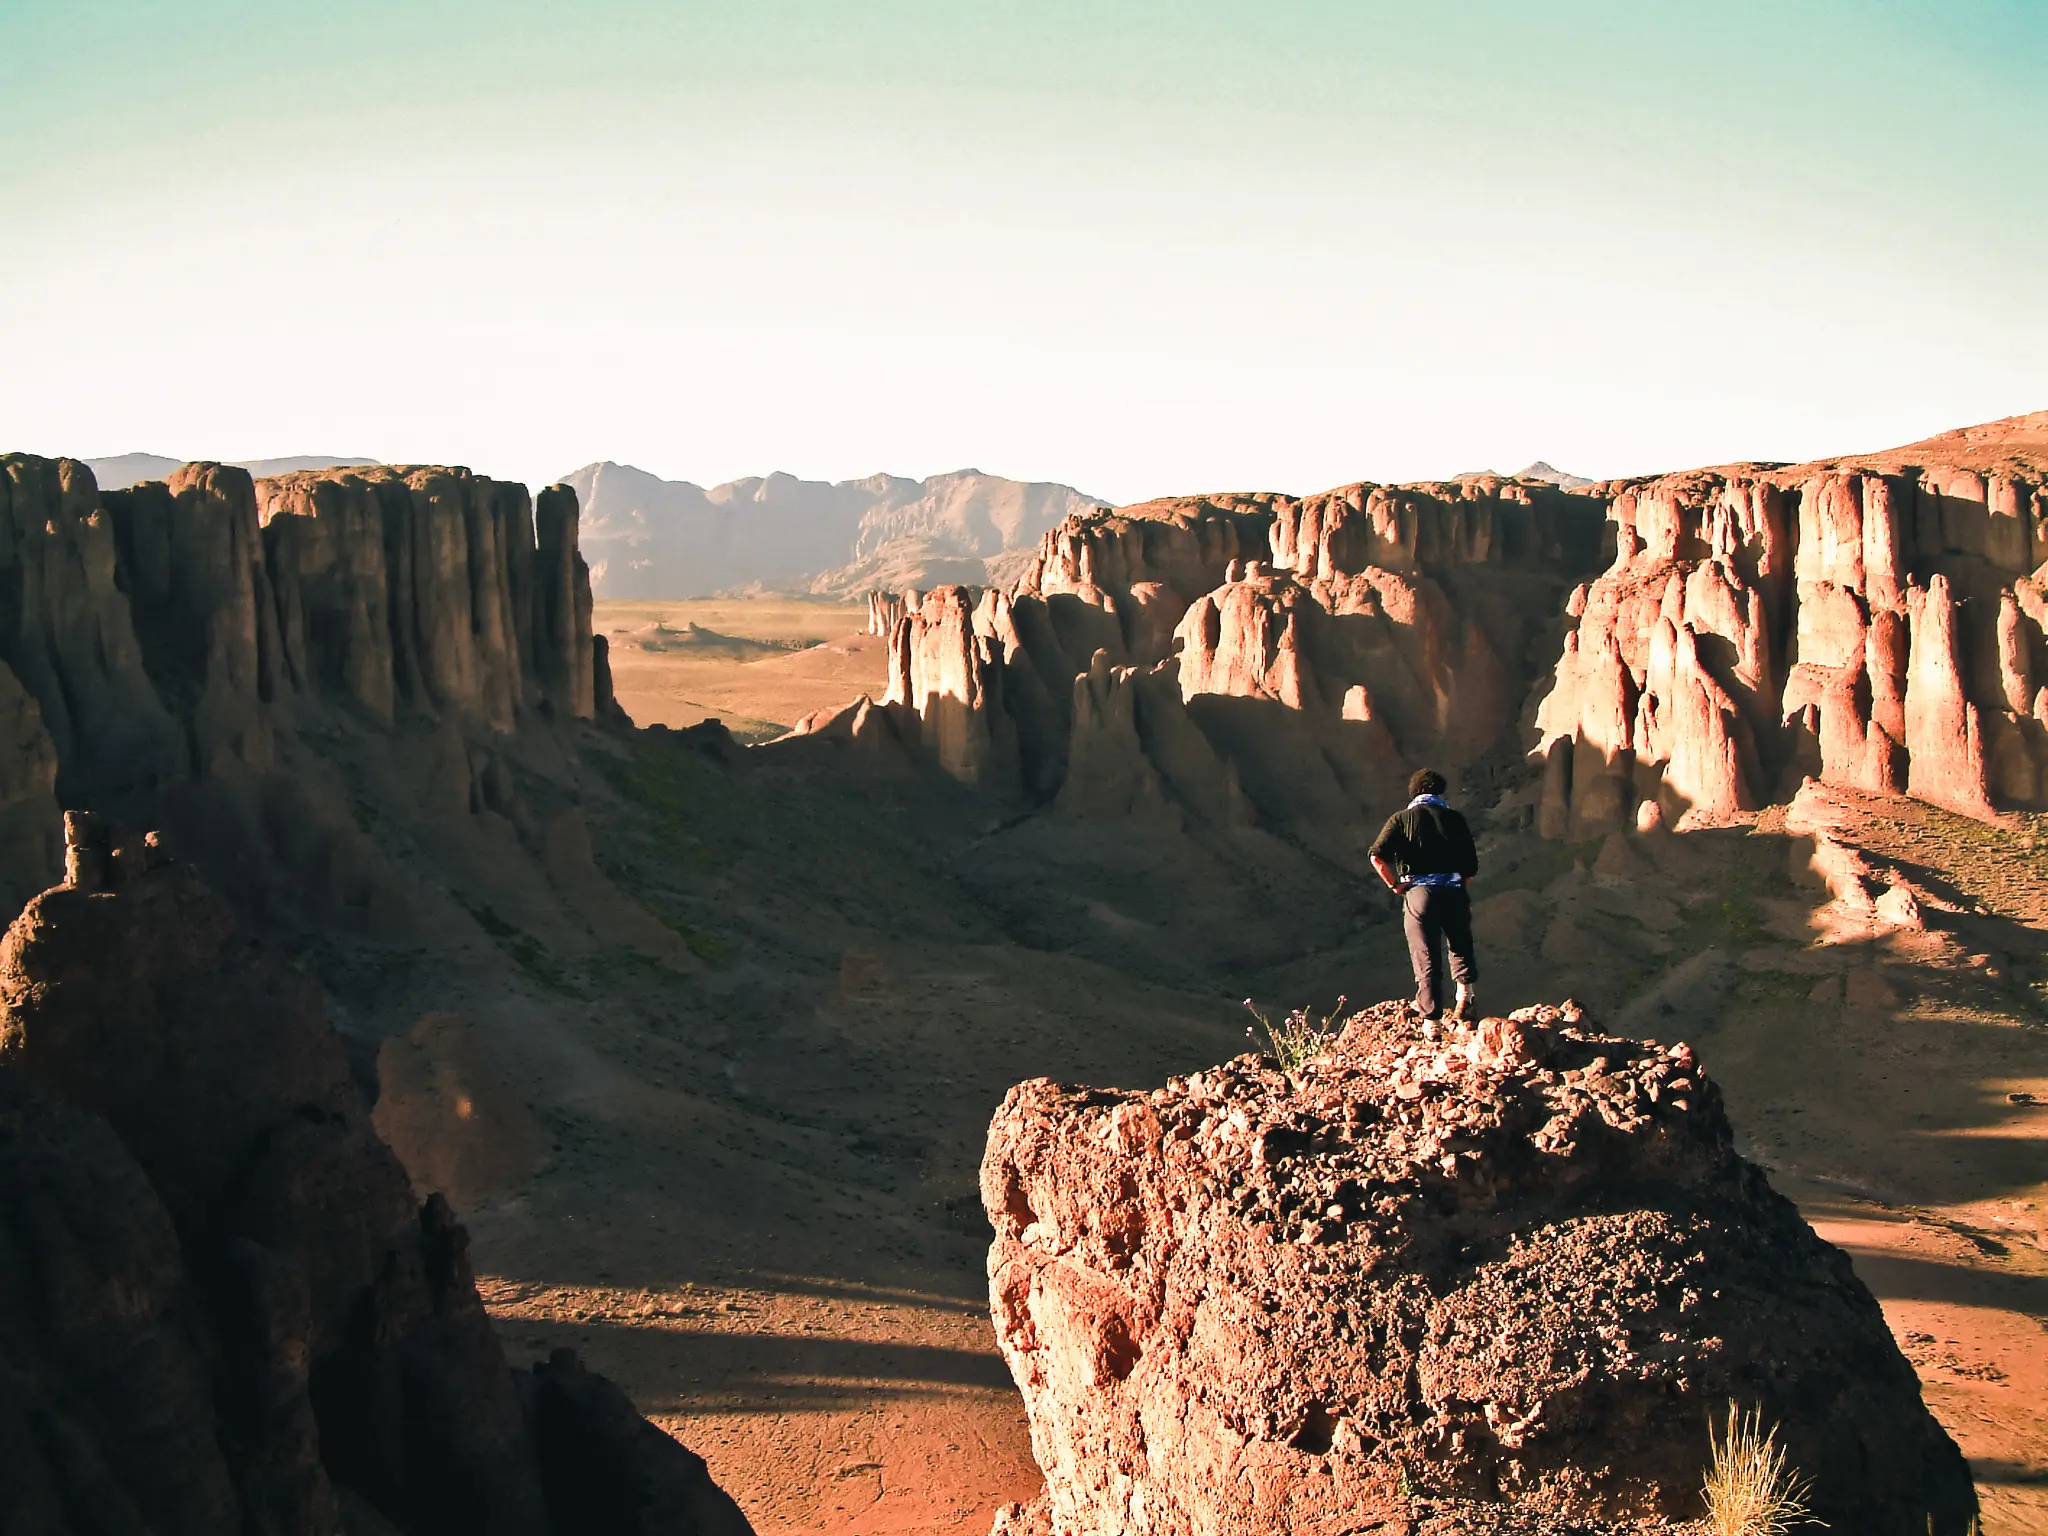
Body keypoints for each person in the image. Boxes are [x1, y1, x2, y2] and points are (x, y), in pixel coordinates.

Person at [1369, 768, 1479, 1021]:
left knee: (1426, 957)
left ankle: (1432, 1024)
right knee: (1460, 944)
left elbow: (1377, 856)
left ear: (1414, 791)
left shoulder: (1400, 819)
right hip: (1453, 890)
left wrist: (1395, 885)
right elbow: (1470, 864)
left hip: (1419, 894)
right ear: (1440, 790)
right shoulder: (1454, 818)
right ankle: (1465, 995)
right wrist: (1458, 886)